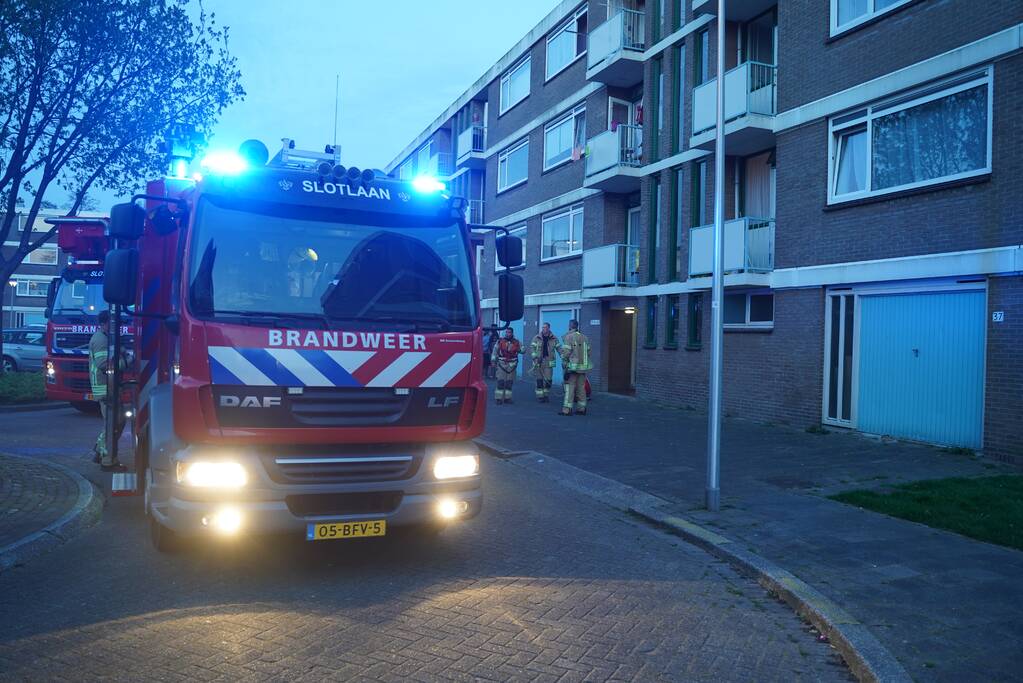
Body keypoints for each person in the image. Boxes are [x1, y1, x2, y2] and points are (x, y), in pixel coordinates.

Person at [89, 310, 127, 472]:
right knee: (114, 423)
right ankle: (108, 460)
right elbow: (104, 364)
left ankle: (99, 451)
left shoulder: (103, 338)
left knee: (115, 422)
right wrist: (126, 361)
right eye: (114, 324)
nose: (117, 328)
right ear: (105, 323)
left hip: (107, 388)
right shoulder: (100, 340)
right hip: (105, 388)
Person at [559, 319, 592, 416]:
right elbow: (589, 352)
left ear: (570, 326)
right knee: (581, 388)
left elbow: (566, 353)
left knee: (570, 388)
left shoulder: (569, 337)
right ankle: (582, 409)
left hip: (572, 368)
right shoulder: (585, 337)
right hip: (582, 368)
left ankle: (567, 410)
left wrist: (564, 364)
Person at [530, 322, 561, 402]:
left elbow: (559, 349)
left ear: (549, 328)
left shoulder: (554, 338)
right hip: (539, 362)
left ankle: (546, 394)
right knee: (539, 380)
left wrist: (564, 357)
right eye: (543, 327)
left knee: (548, 380)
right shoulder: (536, 337)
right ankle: (540, 396)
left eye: (545, 327)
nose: (544, 329)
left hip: (549, 362)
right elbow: (532, 348)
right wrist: (534, 357)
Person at [491, 327, 521, 405]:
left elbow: (523, 350)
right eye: (506, 332)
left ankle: (508, 398)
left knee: (509, 382)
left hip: (512, 365)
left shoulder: (516, 342)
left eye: (509, 332)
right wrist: (493, 361)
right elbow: (494, 351)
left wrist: (518, 348)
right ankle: (498, 398)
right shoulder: (500, 341)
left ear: (512, 333)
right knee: (500, 381)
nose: (508, 334)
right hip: (502, 363)